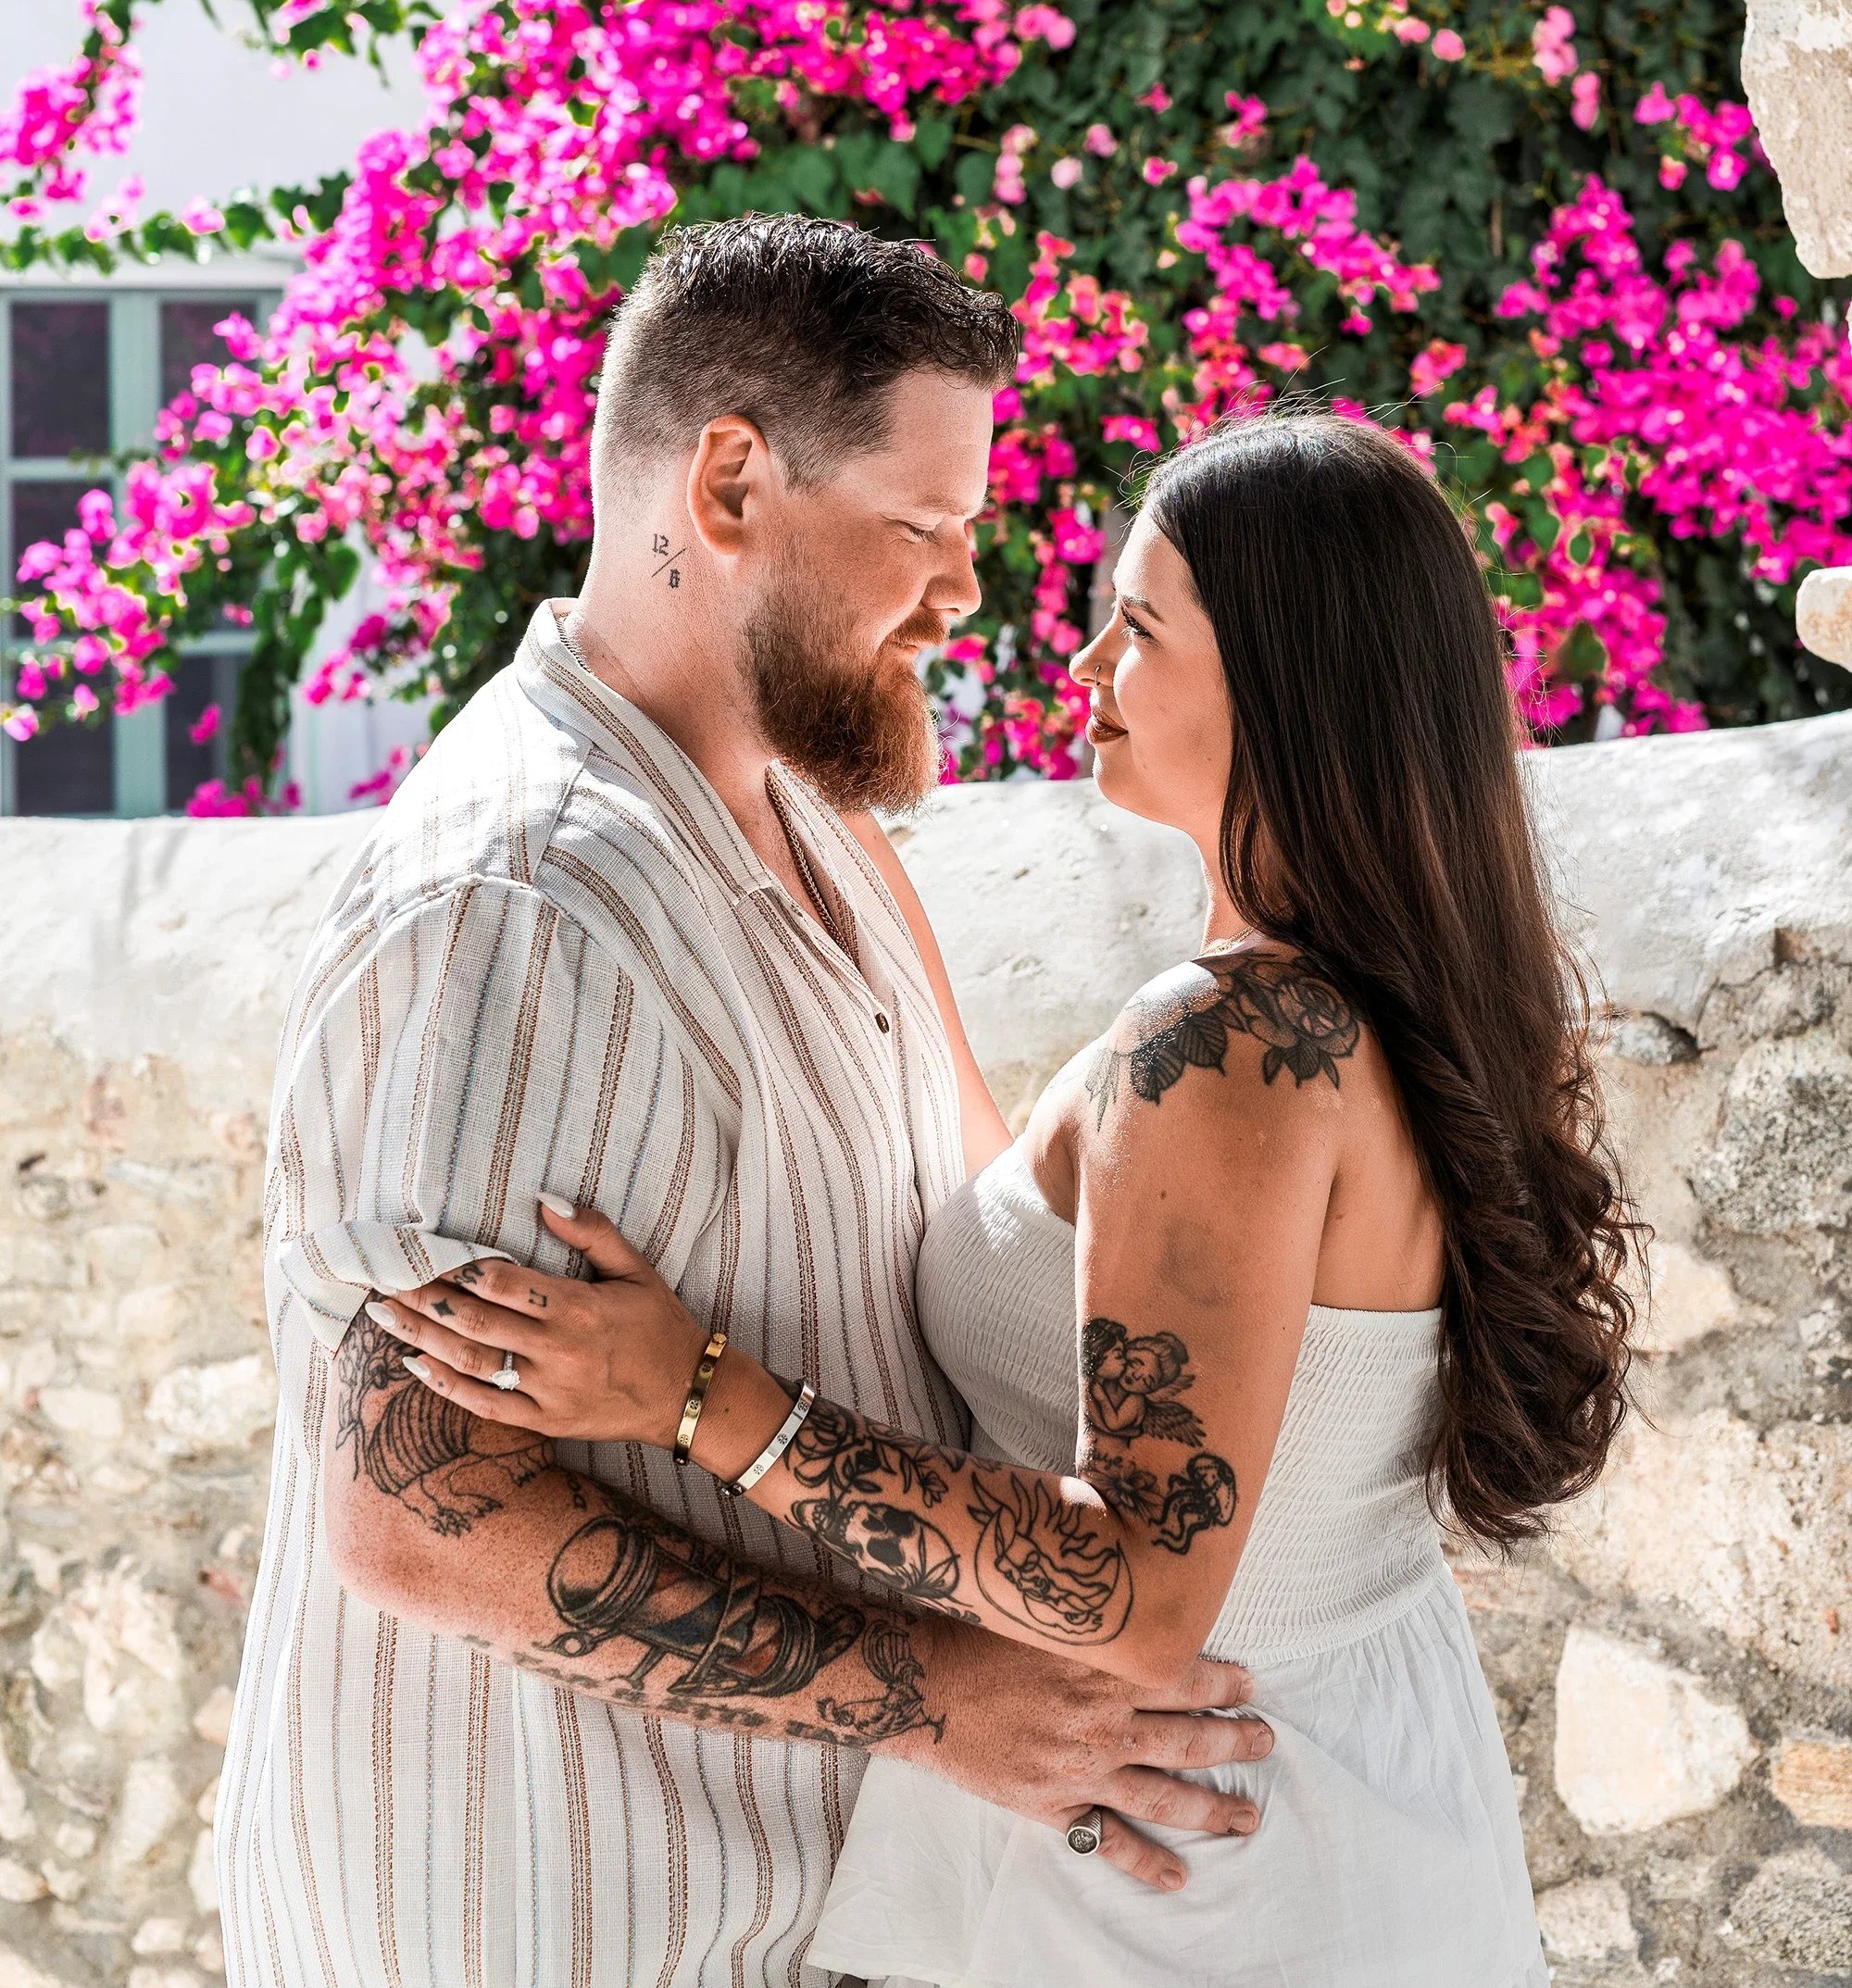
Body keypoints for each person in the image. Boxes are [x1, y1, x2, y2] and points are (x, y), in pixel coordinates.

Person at [382, 408, 1641, 1988]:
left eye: (1143, 625)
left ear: (1286, 684)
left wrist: (692, 1393)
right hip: (1327, 1794)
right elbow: (1033, 1222)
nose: (1086, 659)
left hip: (1186, 1850)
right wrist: (816, 852)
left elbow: (1137, 1590)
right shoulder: (1347, 1012)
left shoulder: (1231, 1046)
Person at [217, 215, 1272, 1988]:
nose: (963, 591)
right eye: (923, 530)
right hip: (533, 1924)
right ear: (728, 484)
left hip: (777, 1918)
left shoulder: (827, 837)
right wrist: (947, 1703)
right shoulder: (521, 902)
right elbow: (414, 1512)